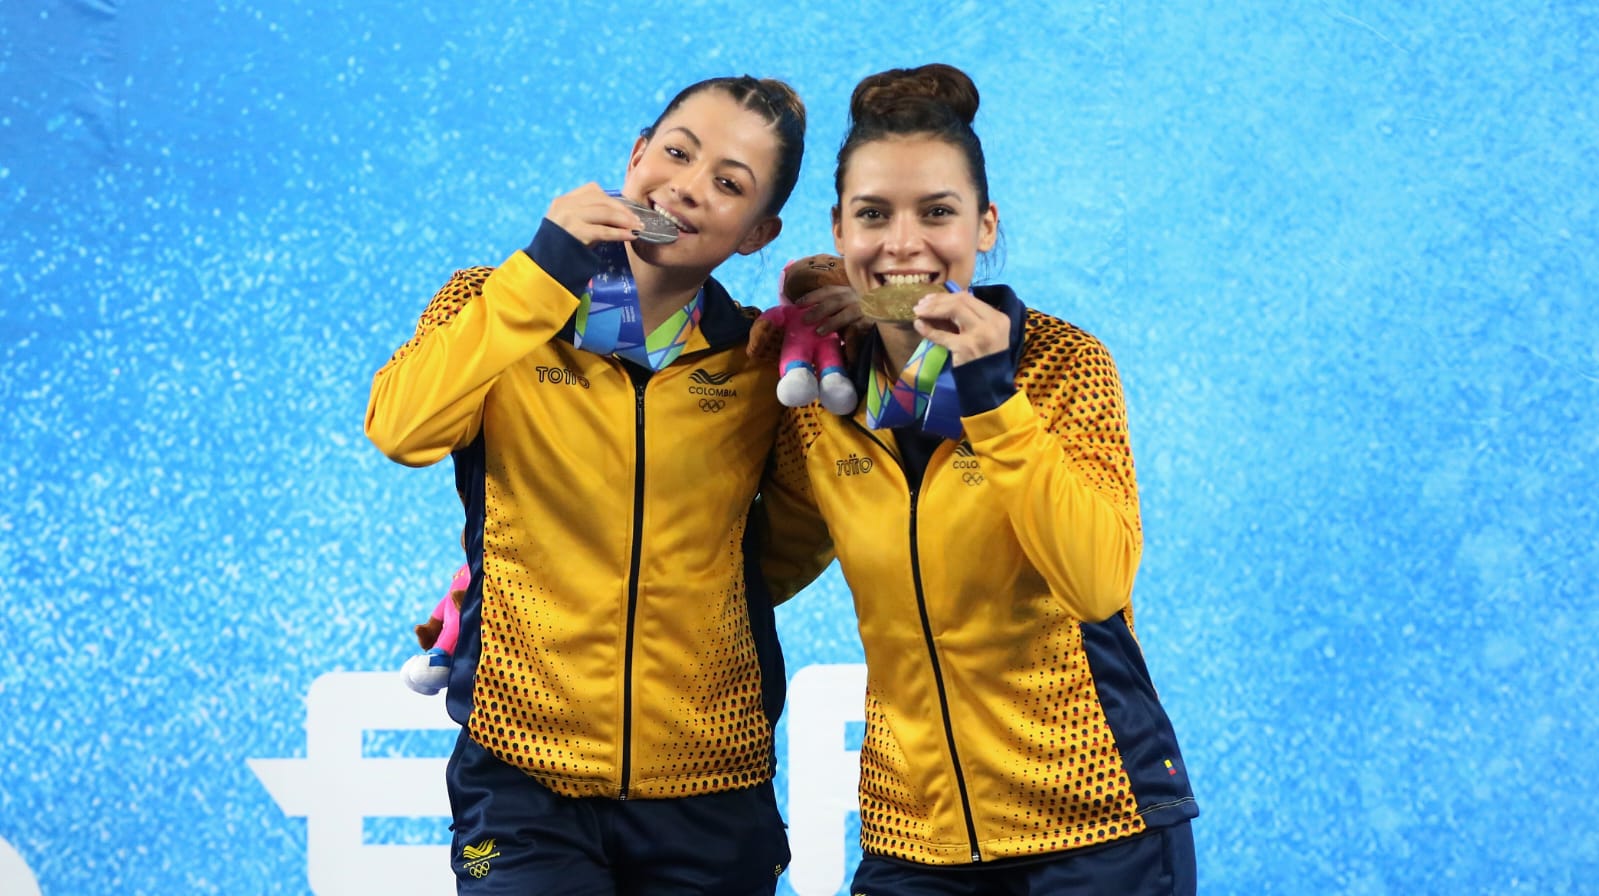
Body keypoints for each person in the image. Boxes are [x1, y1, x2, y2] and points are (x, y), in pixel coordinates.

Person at [365, 75, 839, 894]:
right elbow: (401, 429)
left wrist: (686, 597)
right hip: (522, 776)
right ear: (635, 154)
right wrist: (543, 271)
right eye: (676, 153)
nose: (686, 188)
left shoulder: (758, 366)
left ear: (757, 234)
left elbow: (799, 534)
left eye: (729, 184)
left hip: (712, 781)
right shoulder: (494, 303)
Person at [765, 63, 1199, 894]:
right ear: (837, 229)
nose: (902, 243)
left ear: (984, 224)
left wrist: (994, 400)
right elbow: (758, 569)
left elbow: (1096, 581)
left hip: (1096, 826)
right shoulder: (820, 398)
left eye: (936, 212)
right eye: (873, 214)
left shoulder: (1061, 365)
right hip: (913, 836)